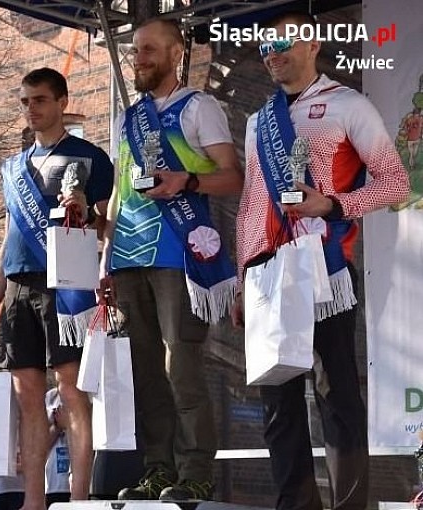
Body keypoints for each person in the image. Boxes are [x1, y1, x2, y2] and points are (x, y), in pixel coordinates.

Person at [231, 12, 410, 510]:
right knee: (277, 398)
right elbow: (251, 202)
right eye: (266, 44)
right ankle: (296, 504)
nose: (273, 51)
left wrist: (331, 204)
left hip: (326, 267)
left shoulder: (348, 104)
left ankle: (351, 505)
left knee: (336, 396)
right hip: (270, 270)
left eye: (284, 41)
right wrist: (244, 274)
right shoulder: (257, 119)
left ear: (312, 43)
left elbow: (395, 183)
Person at [98, 17, 243, 501]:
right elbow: (120, 192)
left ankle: (195, 471)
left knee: (180, 364)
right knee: (144, 373)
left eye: (149, 50)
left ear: (176, 53)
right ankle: (157, 468)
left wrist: (188, 181)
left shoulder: (199, 107)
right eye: (135, 50)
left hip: (178, 254)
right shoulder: (127, 117)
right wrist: (106, 259)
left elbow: (232, 177)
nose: (138, 59)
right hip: (129, 255)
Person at [0, 67, 113, 510]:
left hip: (68, 283)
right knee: (26, 395)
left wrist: (86, 213)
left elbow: (109, 228)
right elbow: (11, 235)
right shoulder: (12, 168)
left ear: (62, 102)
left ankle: (78, 497)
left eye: (41, 100)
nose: (32, 109)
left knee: (71, 390)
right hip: (18, 288)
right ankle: (32, 500)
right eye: (26, 101)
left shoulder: (90, 158)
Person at [44, 388, 70, 507]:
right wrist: (57, 427)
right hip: (51, 486)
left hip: (73, 486)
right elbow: (41, 445)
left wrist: (68, 426)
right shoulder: (50, 396)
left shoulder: (82, 394)